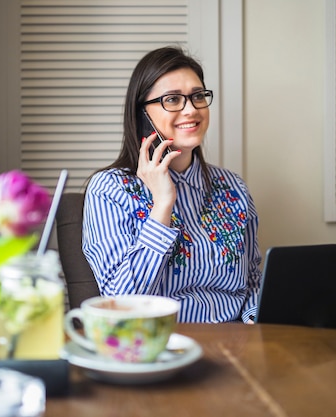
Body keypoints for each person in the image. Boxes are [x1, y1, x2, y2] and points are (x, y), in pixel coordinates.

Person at [82, 46, 262, 323]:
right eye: (173, 99)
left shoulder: (233, 187)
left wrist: (255, 325)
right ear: (143, 115)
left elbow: (252, 279)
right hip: (162, 344)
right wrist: (162, 205)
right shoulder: (110, 189)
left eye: (198, 96)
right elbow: (121, 302)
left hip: (238, 341)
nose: (191, 109)